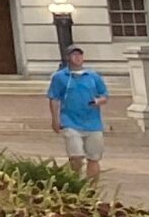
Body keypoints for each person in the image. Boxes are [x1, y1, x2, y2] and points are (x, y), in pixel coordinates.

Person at [47, 43, 111, 184]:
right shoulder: (60, 77)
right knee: (76, 156)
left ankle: (91, 187)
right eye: (74, 55)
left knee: (94, 157)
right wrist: (55, 119)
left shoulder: (93, 76)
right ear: (68, 57)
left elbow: (104, 95)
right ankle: (74, 182)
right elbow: (54, 98)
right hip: (70, 121)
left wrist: (98, 101)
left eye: (79, 55)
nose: (77, 57)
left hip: (93, 123)